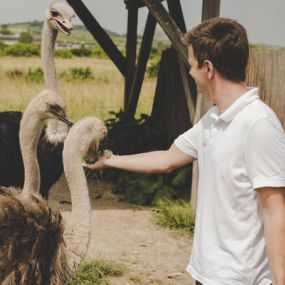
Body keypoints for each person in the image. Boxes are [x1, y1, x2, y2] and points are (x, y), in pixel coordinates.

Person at [84, 18, 285, 285]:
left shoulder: (258, 124)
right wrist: (110, 162)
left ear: (208, 68)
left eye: (192, 65)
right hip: (207, 273)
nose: (190, 73)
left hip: (241, 279)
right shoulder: (212, 120)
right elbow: (166, 159)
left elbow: (275, 211)